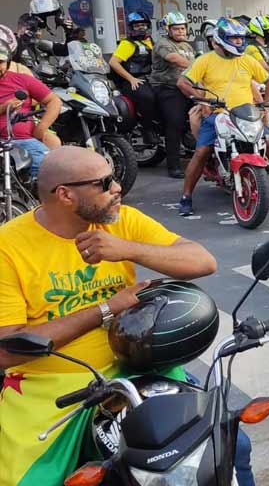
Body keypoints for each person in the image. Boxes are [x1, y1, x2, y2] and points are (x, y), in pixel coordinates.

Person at [0, 146, 221, 486]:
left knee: (223, 450)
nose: (118, 188)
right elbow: (6, 349)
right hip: (54, 391)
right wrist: (106, 309)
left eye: (114, 177)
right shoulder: (9, 247)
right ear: (66, 195)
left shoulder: (120, 221)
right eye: (104, 183)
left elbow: (203, 261)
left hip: (138, 370)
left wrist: (127, 249)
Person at [176, 17, 269, 216]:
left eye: (241, 39)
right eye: (235, 39)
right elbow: (183, 82)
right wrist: (202, 100)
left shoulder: (248, 60)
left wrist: (264, 104)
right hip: (217, 115)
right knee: (202, 151)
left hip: (246, 115)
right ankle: (186, 197)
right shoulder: (205, 60)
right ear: (222, 39)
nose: (240, 42)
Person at [0, 43, 61, 176]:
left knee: (48, 169)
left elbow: (54, 101)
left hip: (23, 140)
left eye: (0, 62)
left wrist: (41, 127)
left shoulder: (22, 80)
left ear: (8, 62)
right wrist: (4, 107)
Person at [149, 12, 197, 178]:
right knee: (175, 123)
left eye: (183, 28)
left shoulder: (187, 46)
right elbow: (174, 59)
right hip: (167, 88)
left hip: (187, 87)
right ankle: (174, 166)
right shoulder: (163, 44)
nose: (180, 32)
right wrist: (198, 68)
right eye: (176, 29)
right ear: (168, 30)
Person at [109, 11, 158, 145]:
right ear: (131, 28)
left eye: (143, 25)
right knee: (148, 97)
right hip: (133, 81)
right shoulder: (127, 44)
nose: (141, 28)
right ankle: (147, 130)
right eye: (137, 26)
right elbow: (113, 62)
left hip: (151, 79)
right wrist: (131, 79)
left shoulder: (151, 42)